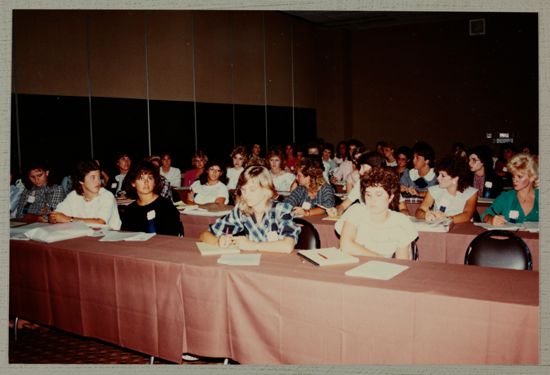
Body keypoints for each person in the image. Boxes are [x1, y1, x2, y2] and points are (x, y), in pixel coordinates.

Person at [199, 165, 301, 253]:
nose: (246, 194)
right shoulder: (241, 211)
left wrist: (252, 245)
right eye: (243, 189)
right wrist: (218, 241)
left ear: (266, 189)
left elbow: (288, 245)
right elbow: (204, 235)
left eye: (252, 189)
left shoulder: (281, 210)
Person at [336, 167, 418, 259]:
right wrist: (381, 258)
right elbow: (346, 246)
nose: (372, 200)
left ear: (390, 197)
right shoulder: (356, 211)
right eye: (368, 194)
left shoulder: (401, 222)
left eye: (378, 195)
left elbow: (402, 262)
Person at [49, 160, 121, 229]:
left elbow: (100, 222)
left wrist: (69, 219)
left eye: (99, 177)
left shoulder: (107, 196)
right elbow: (55, 215)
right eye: (93, 177)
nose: (98, 182)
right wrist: (54, 218)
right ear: (81, 180)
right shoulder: (74, 196)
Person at [121, 161, 183, 236]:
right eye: (141, 178)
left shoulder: (166, 206)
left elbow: (171, 237)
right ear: (133, 183)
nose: (146, 182)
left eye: (150, 178)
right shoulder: (130, 211)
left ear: (154, 182)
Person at [415, 155, 478, 224]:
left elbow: (466, 216)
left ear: (455, 178)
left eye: (443, 175)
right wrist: (425, 215)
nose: (438, 178)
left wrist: (446, 219)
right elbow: (419, 211)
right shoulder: (433, 190)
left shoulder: (471, 193)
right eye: (438, 174)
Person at [481, 153, 539, 225]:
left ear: (532, 177)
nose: (515, 180)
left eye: (519, 176)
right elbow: (484, 215)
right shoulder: (506, 196)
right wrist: (492, 219)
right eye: (513, 176)